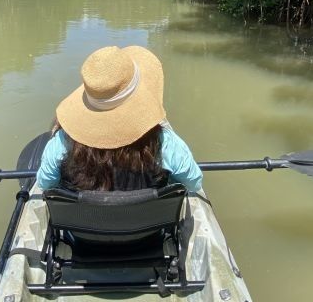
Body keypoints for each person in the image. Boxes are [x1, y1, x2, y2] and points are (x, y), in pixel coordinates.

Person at [36, 45, 202, 192]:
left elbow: (45, 184)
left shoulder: (62, 142)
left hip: (82, 226)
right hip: (150, 226)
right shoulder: (166, 142)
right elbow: (194, 183)